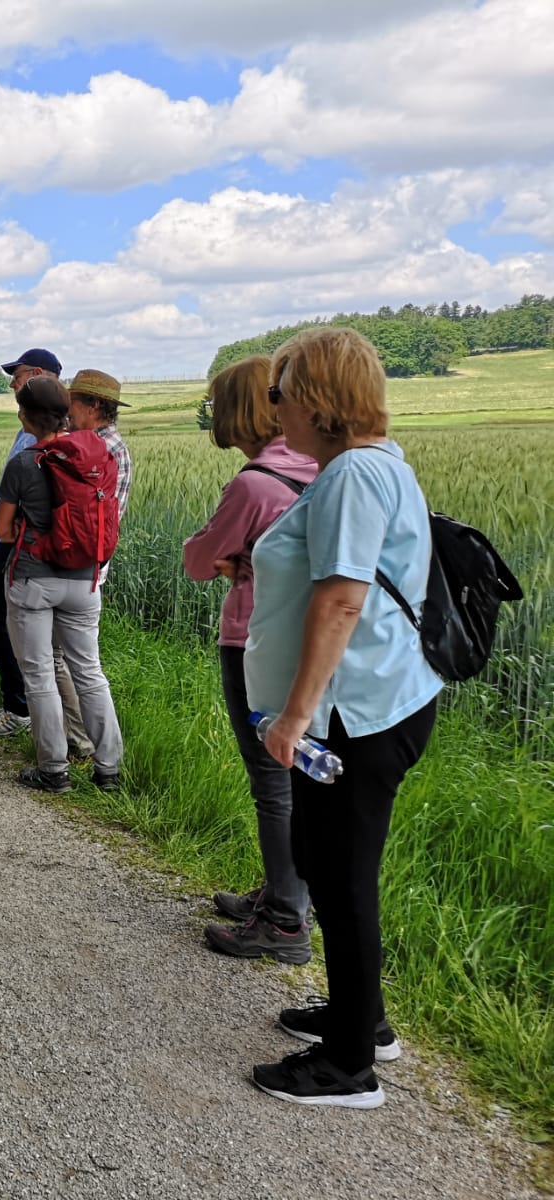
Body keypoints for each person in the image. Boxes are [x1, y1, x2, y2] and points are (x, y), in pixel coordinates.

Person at [246, 326, 440, 1108]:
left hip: (355, 713)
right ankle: (362, 1018)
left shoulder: (355, 472)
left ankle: (349, 1066)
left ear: (319, 397)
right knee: (326, 861)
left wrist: (294, 716)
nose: (274, 408)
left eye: (281, 392)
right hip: (376, 704)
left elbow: (341, 599)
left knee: (342, 874)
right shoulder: (373, 464)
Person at [182, 356, 318, 964]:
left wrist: (229, 558)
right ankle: (286, 894)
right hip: (310, 641)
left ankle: (284, 922)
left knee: (271, 782)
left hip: (254, 638)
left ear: (236, 410)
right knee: (296, 778)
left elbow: (198, 559)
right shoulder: (320, 466)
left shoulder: (253, 484)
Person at [0, 375, 124, 793]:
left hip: (34, 579)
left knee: (39, 675)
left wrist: (25, 524)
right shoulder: (95, 453)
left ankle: (53, 769)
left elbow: (3, 531)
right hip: (85, 580)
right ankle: (109, 769)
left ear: (25, 416)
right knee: (89, 672)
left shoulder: (24, 463)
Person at [0, 348, 62, 738]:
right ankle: (34, 714)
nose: (12, 384)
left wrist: (9, 537)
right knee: (8, 626)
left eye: (17, 375)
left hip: (24, 545)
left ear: (38, 373)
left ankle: (21, 710)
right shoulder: (31, 424)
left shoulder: (47, 429)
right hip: (13, 541)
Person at [54, 369, 134, 759]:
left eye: (72, 403)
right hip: (91, 567)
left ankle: (79, 742)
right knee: (80, 663)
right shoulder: (112, 444)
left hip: (73, 566)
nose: (66, 411)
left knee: (64, 660)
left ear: (94, 406)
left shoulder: (93, 448)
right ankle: (98, 751)